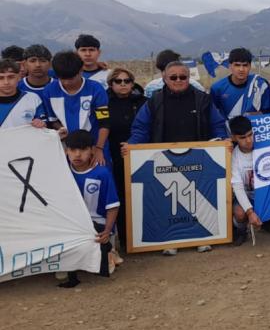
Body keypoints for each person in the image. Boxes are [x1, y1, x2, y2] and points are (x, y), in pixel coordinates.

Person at [123, 60, 227, 255]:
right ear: (164, 78)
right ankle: (169, 240)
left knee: (197, 200)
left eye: (183, 77)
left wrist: (222, 140)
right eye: (173, 77)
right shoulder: (153, 101)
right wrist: (132, 145)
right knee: (166, 202)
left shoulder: (203, 100)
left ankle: (202, 237)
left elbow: (218, 125)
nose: (178, 80)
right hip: (165, 162)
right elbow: (141, 128)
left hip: (197, 161)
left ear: (189, 78)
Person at [60, 130, 120, 288]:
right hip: (71, 224)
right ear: (66, 151)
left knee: (96, 257)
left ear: (92, 150)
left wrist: (107, 231)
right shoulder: (62, 172)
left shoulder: (102, 173)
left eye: (83, 149)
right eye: (73, 150)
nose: (77, 155)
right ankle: (66, 266)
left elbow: (113, 206)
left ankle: (108, 250)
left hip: (96, 224)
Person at [42, 51, 111, 166]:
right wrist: (61, 129)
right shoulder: (49, 91)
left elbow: (104, 122)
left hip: (94, 145)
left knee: (100, 174)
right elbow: (53, 120)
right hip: (67, 148)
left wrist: (99, 148)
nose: (66, 82)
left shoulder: (96, 89)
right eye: (62, 78)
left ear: (80, 71)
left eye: (71, 78)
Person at [106, 68, 146, 252]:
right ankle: (124, 238)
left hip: (140, 154)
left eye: (127, 81)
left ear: (132, 83)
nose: (123, 84)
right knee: (120, 196)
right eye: (118, 81)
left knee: (141, 195)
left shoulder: (143, 102)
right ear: (111, 84)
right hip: (114, 156)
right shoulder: (103, 103)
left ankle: (144, 236)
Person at [209, 47, 270, 121]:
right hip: (227, 127)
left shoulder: (261, 84)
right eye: (237, 65)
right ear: (230, 66)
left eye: (245, 65)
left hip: (254, 127)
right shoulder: (217, 88)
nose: (241, 69)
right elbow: (212, 114)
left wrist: (251, 116)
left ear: (250, 66)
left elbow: (269, 112)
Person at [228, 116, 262, 246]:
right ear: (233, 138)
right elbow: (238, 187)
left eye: (250, 135)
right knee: (239, 213)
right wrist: (250, 212)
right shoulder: (233, 156)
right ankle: (241, 230)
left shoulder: (264, 147)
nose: (248, 140)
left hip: (263, 194)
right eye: (242, 138)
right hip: (246, 195)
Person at [0, 59, 47, 129]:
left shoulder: (33, 98)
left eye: (11, 77)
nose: (6, 82)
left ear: (19, 77)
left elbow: (44, 125)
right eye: (1, 78)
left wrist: (41, 123)